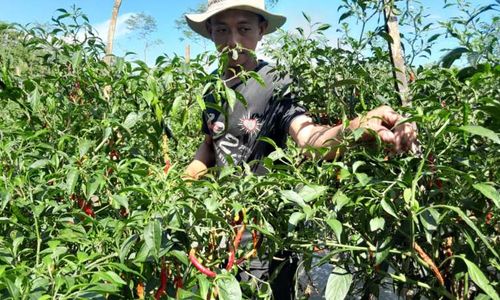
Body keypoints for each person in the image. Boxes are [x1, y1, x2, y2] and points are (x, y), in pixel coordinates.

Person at [183, 0, 417, 298]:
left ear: (261, 30)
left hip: (265, 231)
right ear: (210, 33)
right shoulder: (212, 91)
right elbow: (209, 146)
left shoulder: (274, 81)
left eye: (243, 29)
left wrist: (355, 127)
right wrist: (185, 181)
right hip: (221, 227)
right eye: (221, 30)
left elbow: (308, 138)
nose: (233, 42)